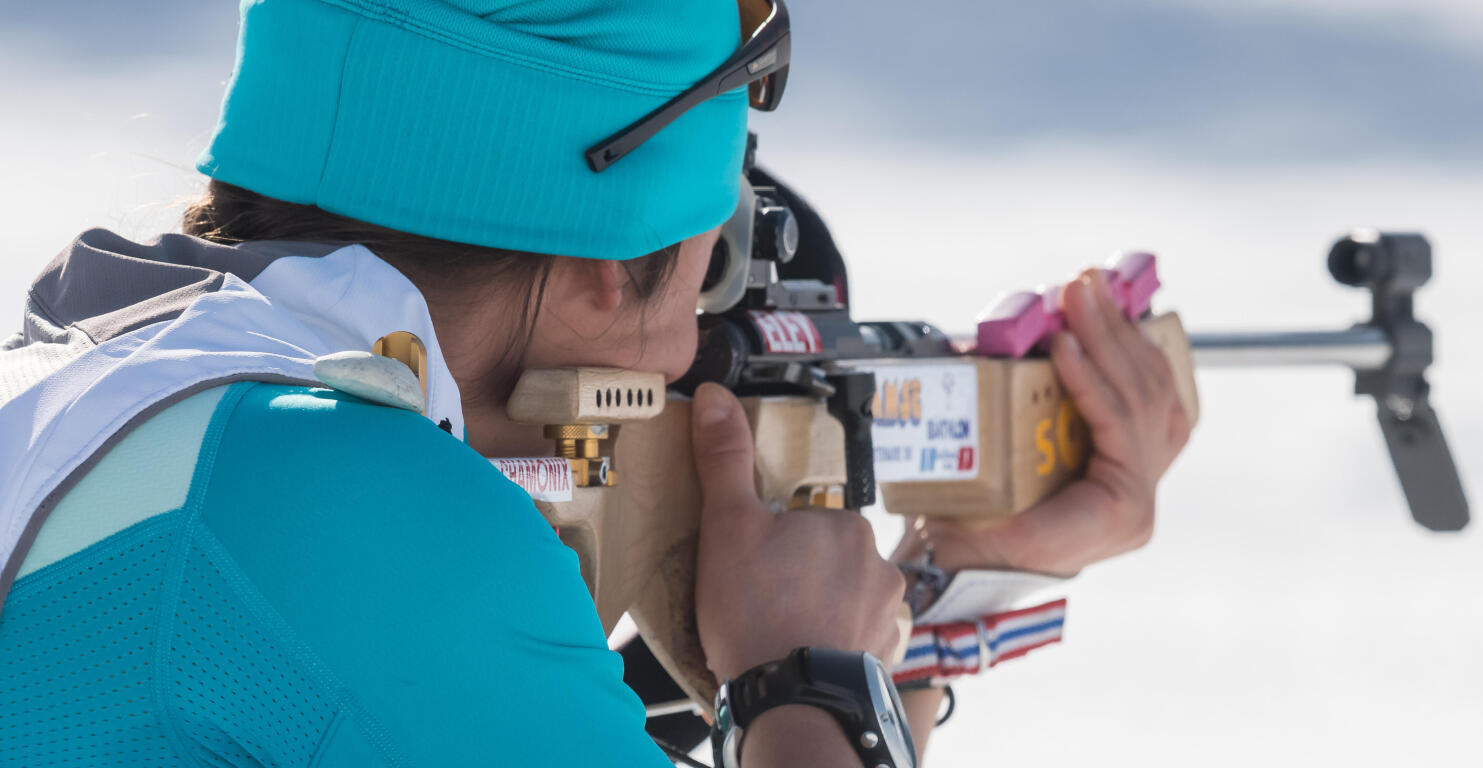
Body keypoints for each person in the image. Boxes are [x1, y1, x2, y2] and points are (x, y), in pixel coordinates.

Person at [0, 0, 1191, 765]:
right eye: (698, 292)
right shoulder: (360, 509)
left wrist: (952, 585)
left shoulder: (109, 385)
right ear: (612, 272)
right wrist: (807, 681)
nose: (688, 365)